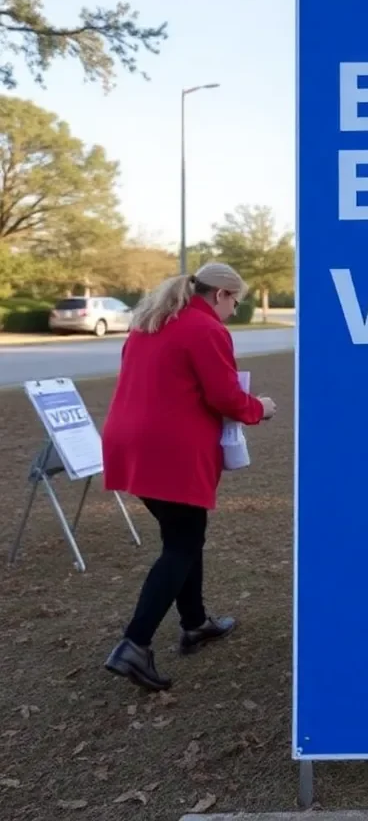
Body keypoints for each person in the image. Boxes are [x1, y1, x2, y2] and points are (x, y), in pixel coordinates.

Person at [102, 263, 277, 690]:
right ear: (220, 294)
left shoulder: (151, 322)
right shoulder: (205, 329)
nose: (235, 310)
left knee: (183, 535)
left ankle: (195, 622)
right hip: (170, 450)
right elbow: (223, 394)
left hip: (129, 442)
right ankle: (134, 644)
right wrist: (260, 408)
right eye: (235, 300)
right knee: (182, 543)